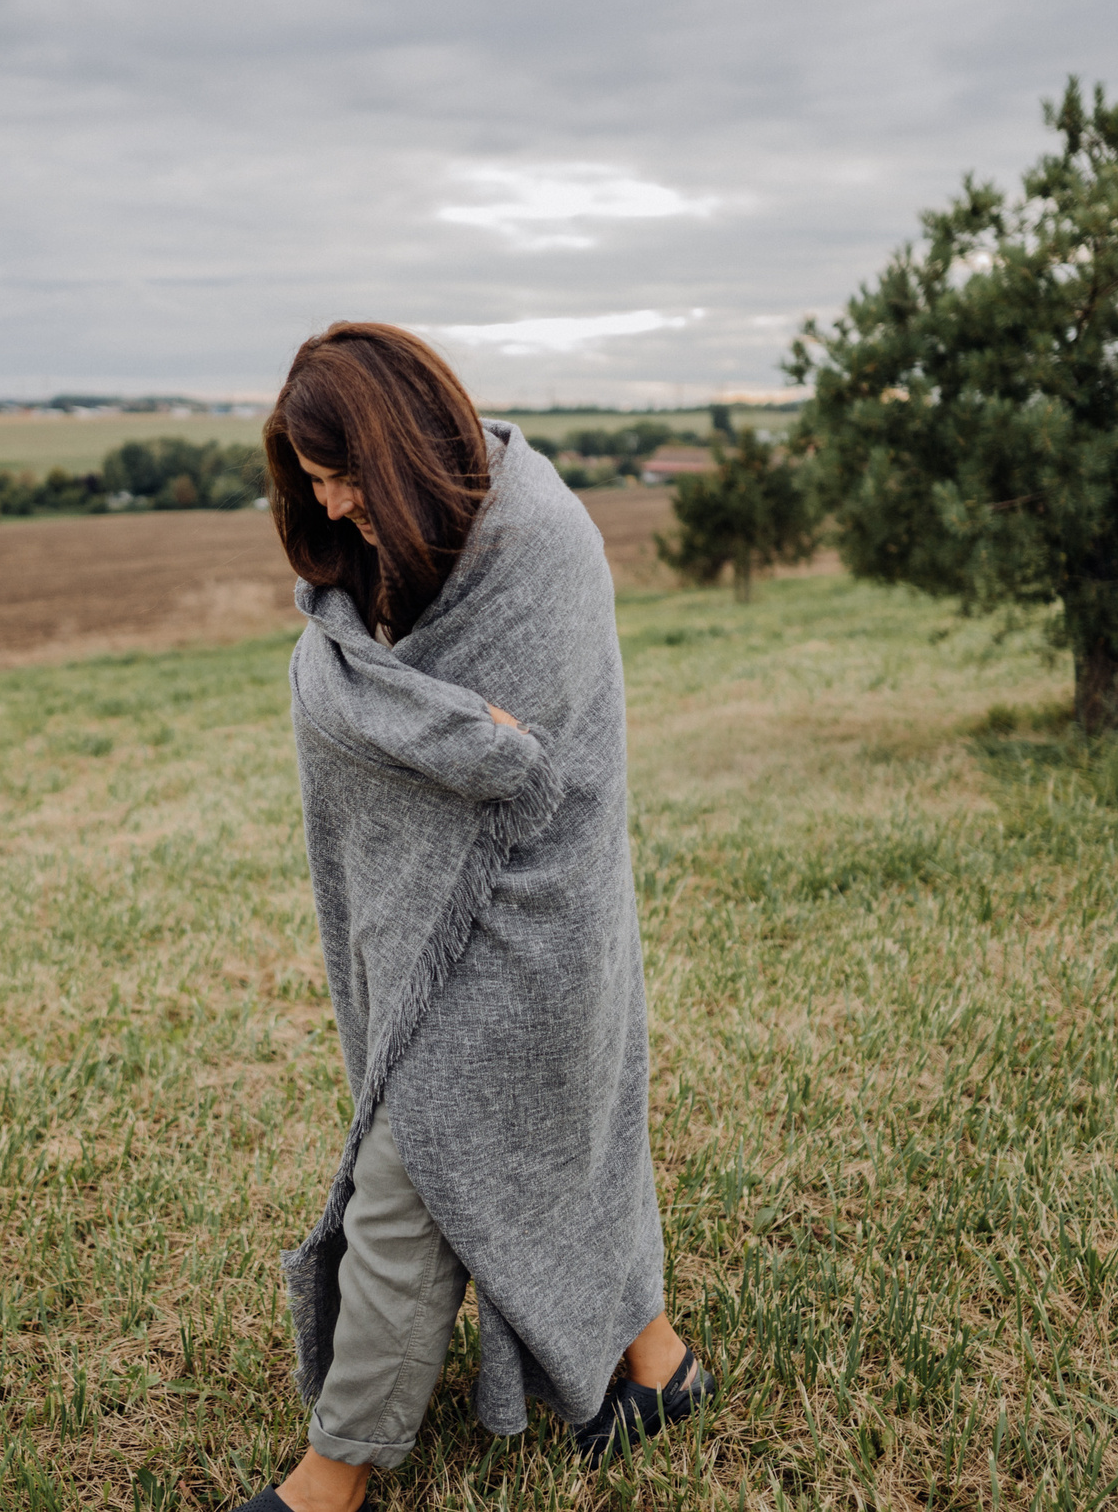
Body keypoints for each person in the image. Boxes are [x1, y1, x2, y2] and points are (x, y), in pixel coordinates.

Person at [236, 323, 713, 1512]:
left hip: (542, 917)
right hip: (466, 923)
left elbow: (517, 766)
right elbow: (404, 710)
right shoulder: (413, 542)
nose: (333, 504)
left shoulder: (537, 538)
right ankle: (656, 1364)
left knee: (421, 1169)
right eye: (309, 481)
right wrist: (362, 697)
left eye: (340, 472)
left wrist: (387, 710)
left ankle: (330, 1478)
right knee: (562, 1146)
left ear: (395, 446)